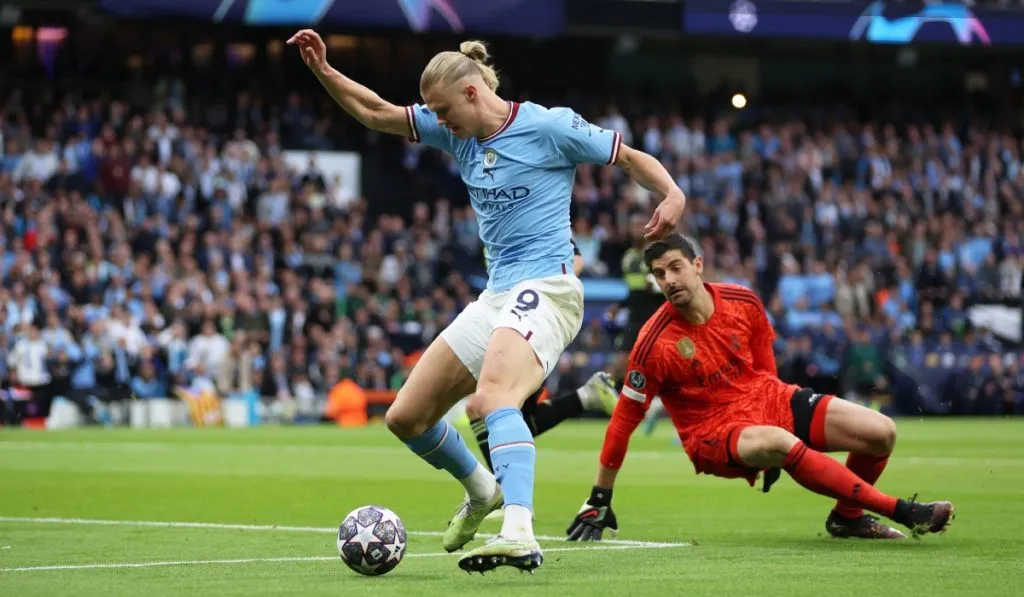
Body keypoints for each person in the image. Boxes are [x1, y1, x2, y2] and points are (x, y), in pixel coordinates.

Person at [288, 31, 686, 573]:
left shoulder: (548, 127)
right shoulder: (460, 135)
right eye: (434, 114)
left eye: (445, 111)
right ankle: (482, 491)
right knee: (406, 417)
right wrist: (323, 71)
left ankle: (519, 530)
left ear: (474, 94)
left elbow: (629, 157)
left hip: (549, 288)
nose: (439, 122)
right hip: (497, 295)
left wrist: (672, 194)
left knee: (492, 399)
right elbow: (376, 112)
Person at [565, 233, 955, 543]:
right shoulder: (653, 343)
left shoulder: (743, 300)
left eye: (675, 268)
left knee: (882, 432)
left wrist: (780, 409)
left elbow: (767, 370)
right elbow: (623, 421)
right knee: (781, 444)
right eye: (659, 273)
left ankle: (847, 518)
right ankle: (903, 511)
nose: (668, 279)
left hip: (769, 400)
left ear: (697, 266)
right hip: (713, 434)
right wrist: (601, 496)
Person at [460, 239, 618, 478]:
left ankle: (507, 498)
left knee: (486, 406)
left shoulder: (535, 222)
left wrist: (539, 294)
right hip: (507, 322)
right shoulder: (495, 229)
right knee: (509, 415)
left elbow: (575, 259)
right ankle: (585, 396)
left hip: (530, 325)